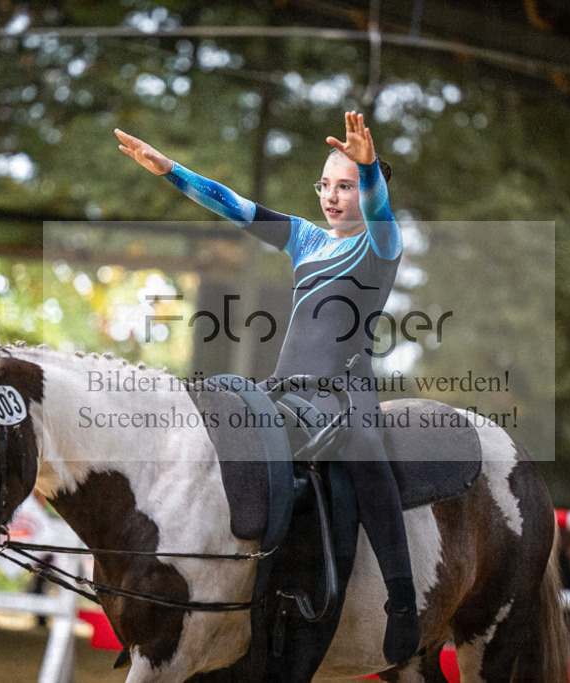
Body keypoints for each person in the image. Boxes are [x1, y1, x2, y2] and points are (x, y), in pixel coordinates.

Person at [114, 111, 420, 664]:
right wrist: (168, 170)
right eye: (325, 185)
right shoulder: (305, 239)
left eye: (344, 186)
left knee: (363, 445)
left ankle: (402, 601)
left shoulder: (382, 243)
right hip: (285, 389)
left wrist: (369, 168)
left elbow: (377, 206)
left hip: (343, 399)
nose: (331, 196)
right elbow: (237, 206)